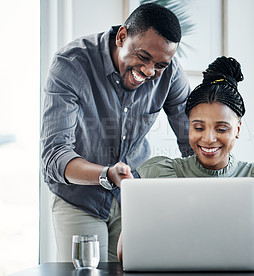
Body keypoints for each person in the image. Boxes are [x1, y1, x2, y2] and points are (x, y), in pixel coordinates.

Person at [116, 56, 254, 262]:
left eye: (221, 129)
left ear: (237, 129)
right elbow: (124, 252)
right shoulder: (161, 175)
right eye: (198, 127)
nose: (208, 139)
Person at [41, 3, 193, 262]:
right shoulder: (71, 64)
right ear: (122, 36)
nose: (148, 71)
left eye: (159, 65)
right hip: (80, 199)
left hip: (134, 199)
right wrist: (107, 174)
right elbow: (54, 157)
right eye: (143, 57)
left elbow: (191, 141)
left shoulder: (171, 73)